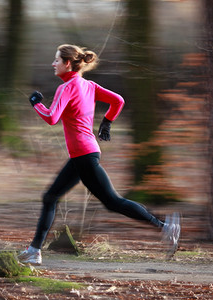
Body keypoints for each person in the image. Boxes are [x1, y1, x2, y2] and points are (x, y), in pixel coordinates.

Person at [18, 44, 180, 265]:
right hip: (85, 154)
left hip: (83, 155)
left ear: (67, 63)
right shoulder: (89, 85)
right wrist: (107, 122)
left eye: (56, 60)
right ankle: (34, 250)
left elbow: (51, 118)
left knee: (112, 201)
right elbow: (118, 101)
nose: (52, 64)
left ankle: (165, 226)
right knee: (54, 197)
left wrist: (36, 104)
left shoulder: (65, 88)